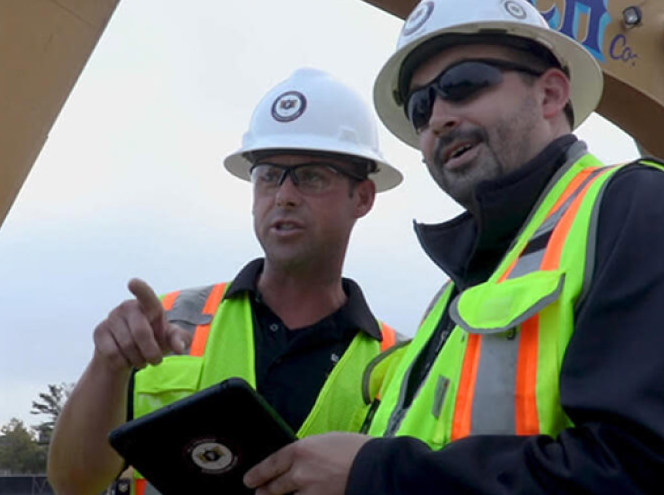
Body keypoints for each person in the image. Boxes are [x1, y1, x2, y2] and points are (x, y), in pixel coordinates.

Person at [243, 0, 664, 495]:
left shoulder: (636, 206)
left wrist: (377, 473)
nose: (439, 117)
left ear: (551, 94)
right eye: (421, 106)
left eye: (464, 83)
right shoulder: (456, 298)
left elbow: (638, 466)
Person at [47, 68, 406, 495]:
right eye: (269, 174)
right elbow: (73, 484)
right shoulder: (167, 322)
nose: (284, 195)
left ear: (362, 197)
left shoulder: (399, 364)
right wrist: (106, 368)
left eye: (311, 176)